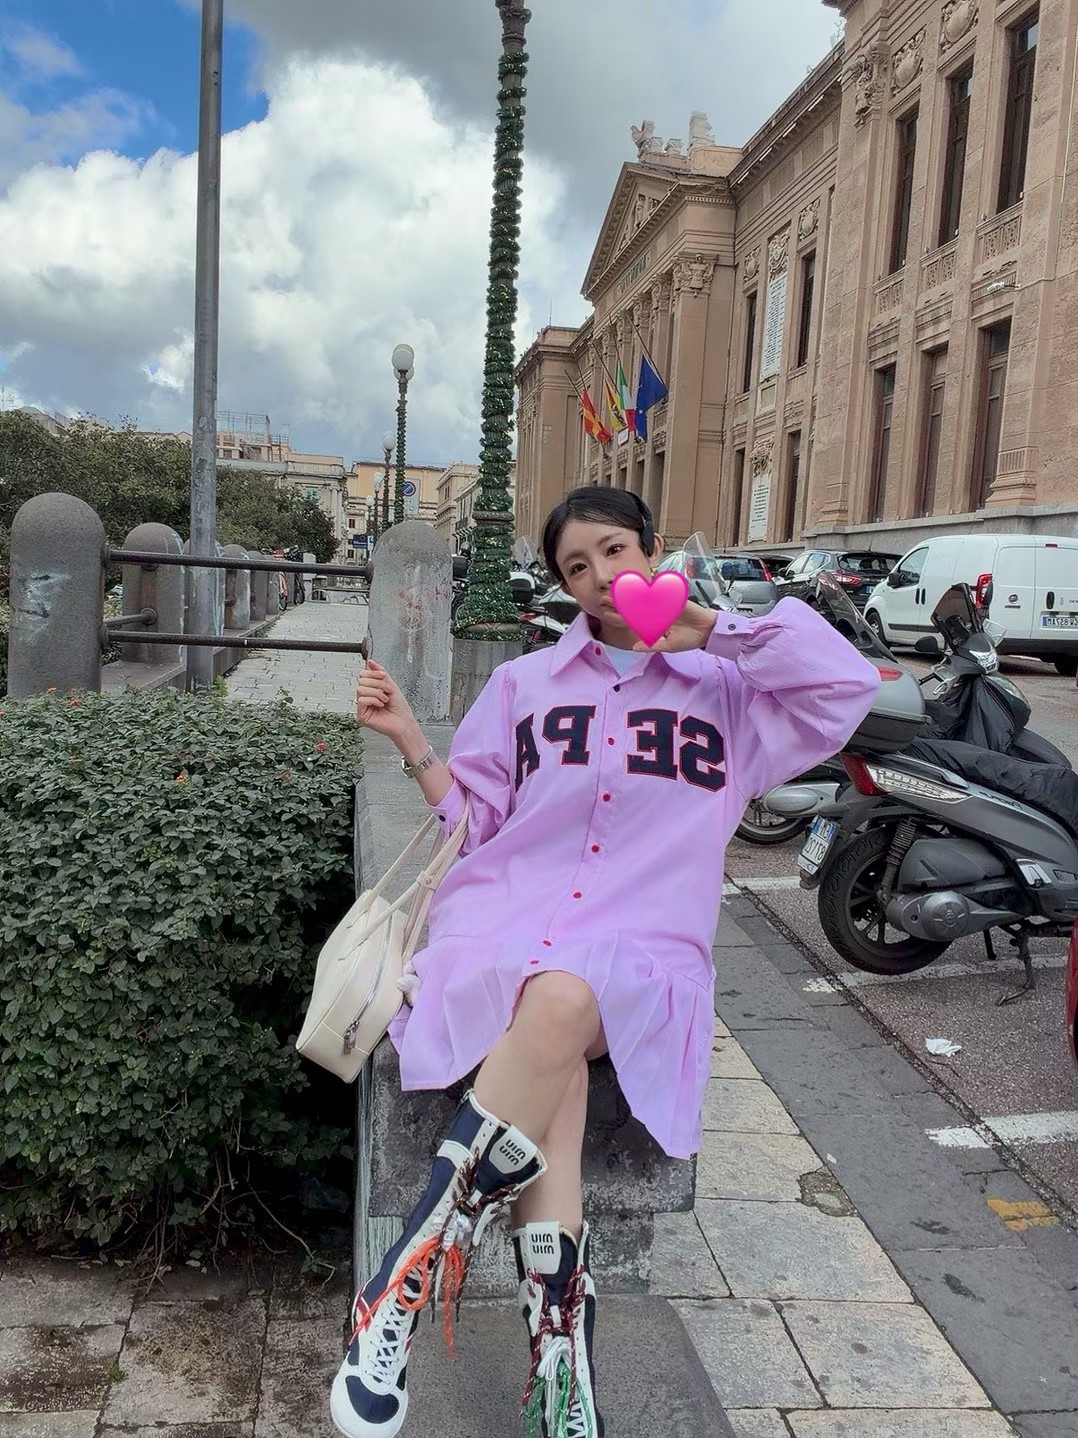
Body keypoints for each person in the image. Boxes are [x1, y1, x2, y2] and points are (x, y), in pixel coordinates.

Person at [331, 486, 880, 1438]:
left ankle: (407, 1276)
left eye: (615, 550)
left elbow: (845, 688)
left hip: (643, 949)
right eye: (575, 567)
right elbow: (479, 822)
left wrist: (707, 628)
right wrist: (412, 739)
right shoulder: (527, 685)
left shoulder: (729, 694)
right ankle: (561, 1366)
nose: (598, 577)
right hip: (510, 925)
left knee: (566, 998)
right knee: (559, 1032)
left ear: (652, 549)